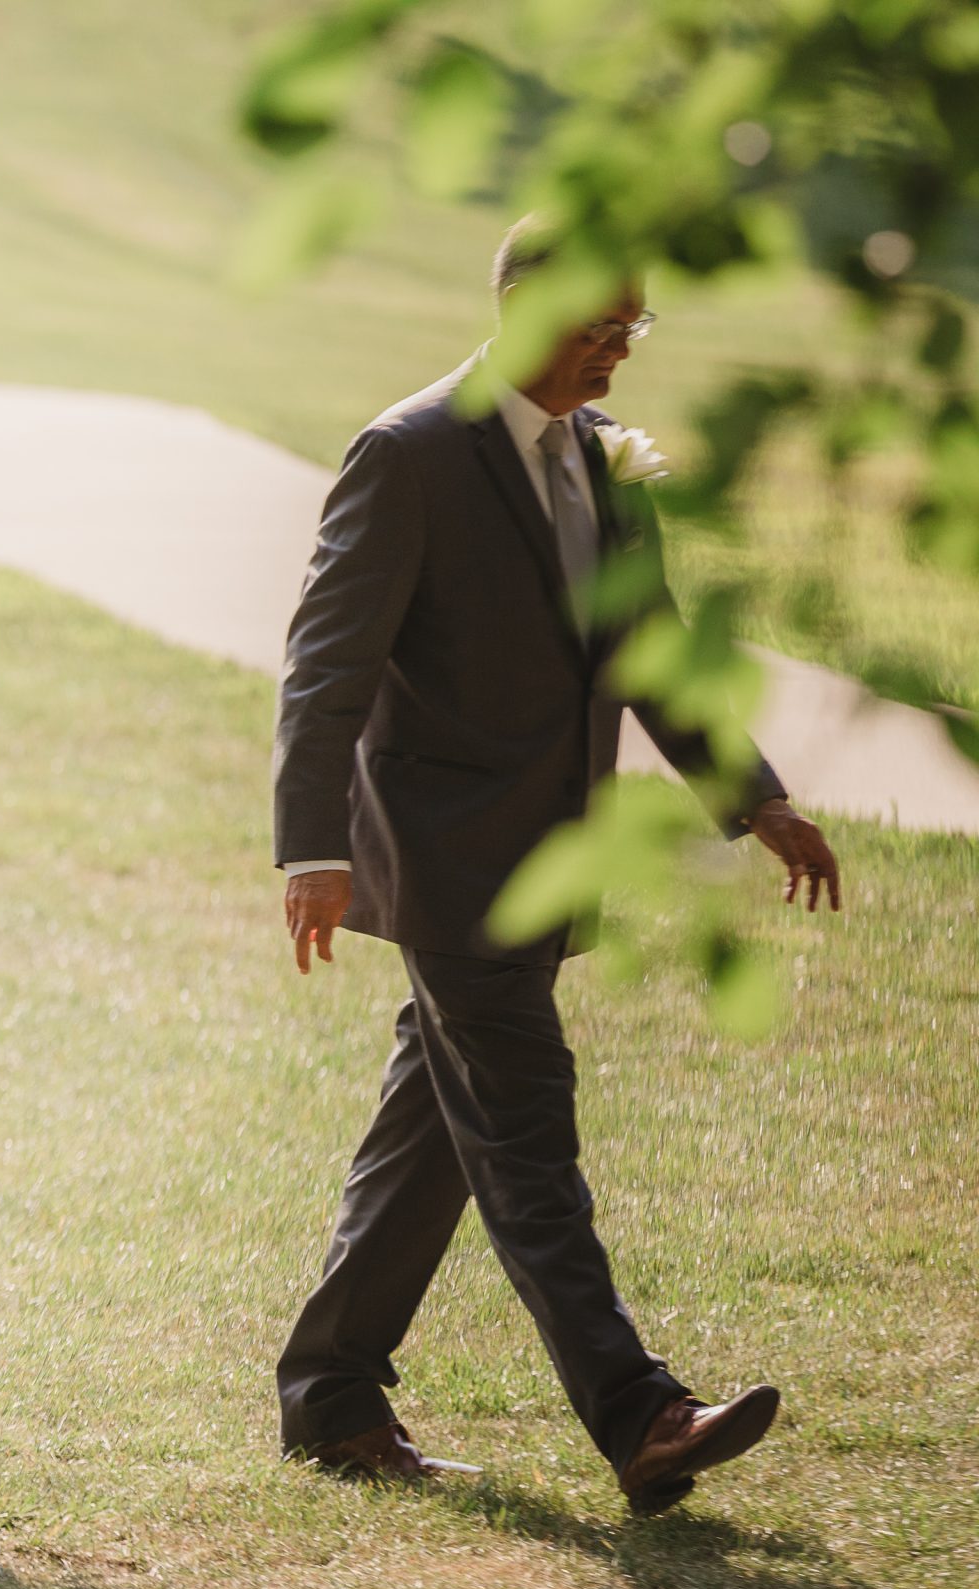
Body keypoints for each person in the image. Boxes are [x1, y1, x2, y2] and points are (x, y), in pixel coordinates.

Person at [269, 219, 844, 1514]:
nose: (616, 352)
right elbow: (328, 663)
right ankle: (642, 1411)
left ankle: (332, 1392)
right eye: (598, 325)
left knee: (438, 1128)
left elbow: (652, 647)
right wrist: (312, 844)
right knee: (527, 1129)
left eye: (634, 327)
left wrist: (759, 799)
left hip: (551, 851)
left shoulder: (605, 462)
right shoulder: (409, 452)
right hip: (444, 854)